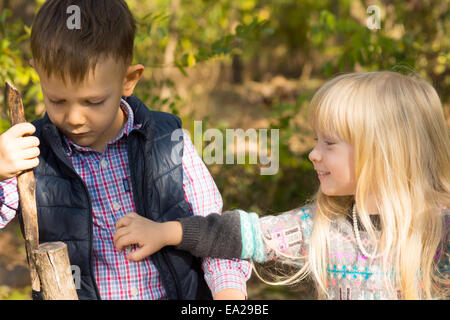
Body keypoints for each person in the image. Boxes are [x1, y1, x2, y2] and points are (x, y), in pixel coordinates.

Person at [114, 71, 450, 299]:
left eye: (329, 144)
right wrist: (165, 232)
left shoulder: (439, 231)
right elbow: (240, 235)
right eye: (316, 141)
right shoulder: (320, 225)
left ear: (384, 152)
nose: (313, 154)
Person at [0, 0, 251, 300]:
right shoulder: (31, 154)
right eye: (57, 101)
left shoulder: (168, 142)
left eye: (93, 102)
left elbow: (214, 234)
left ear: (128, 80)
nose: (75, 118)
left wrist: (228, 292)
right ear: (38, 74)